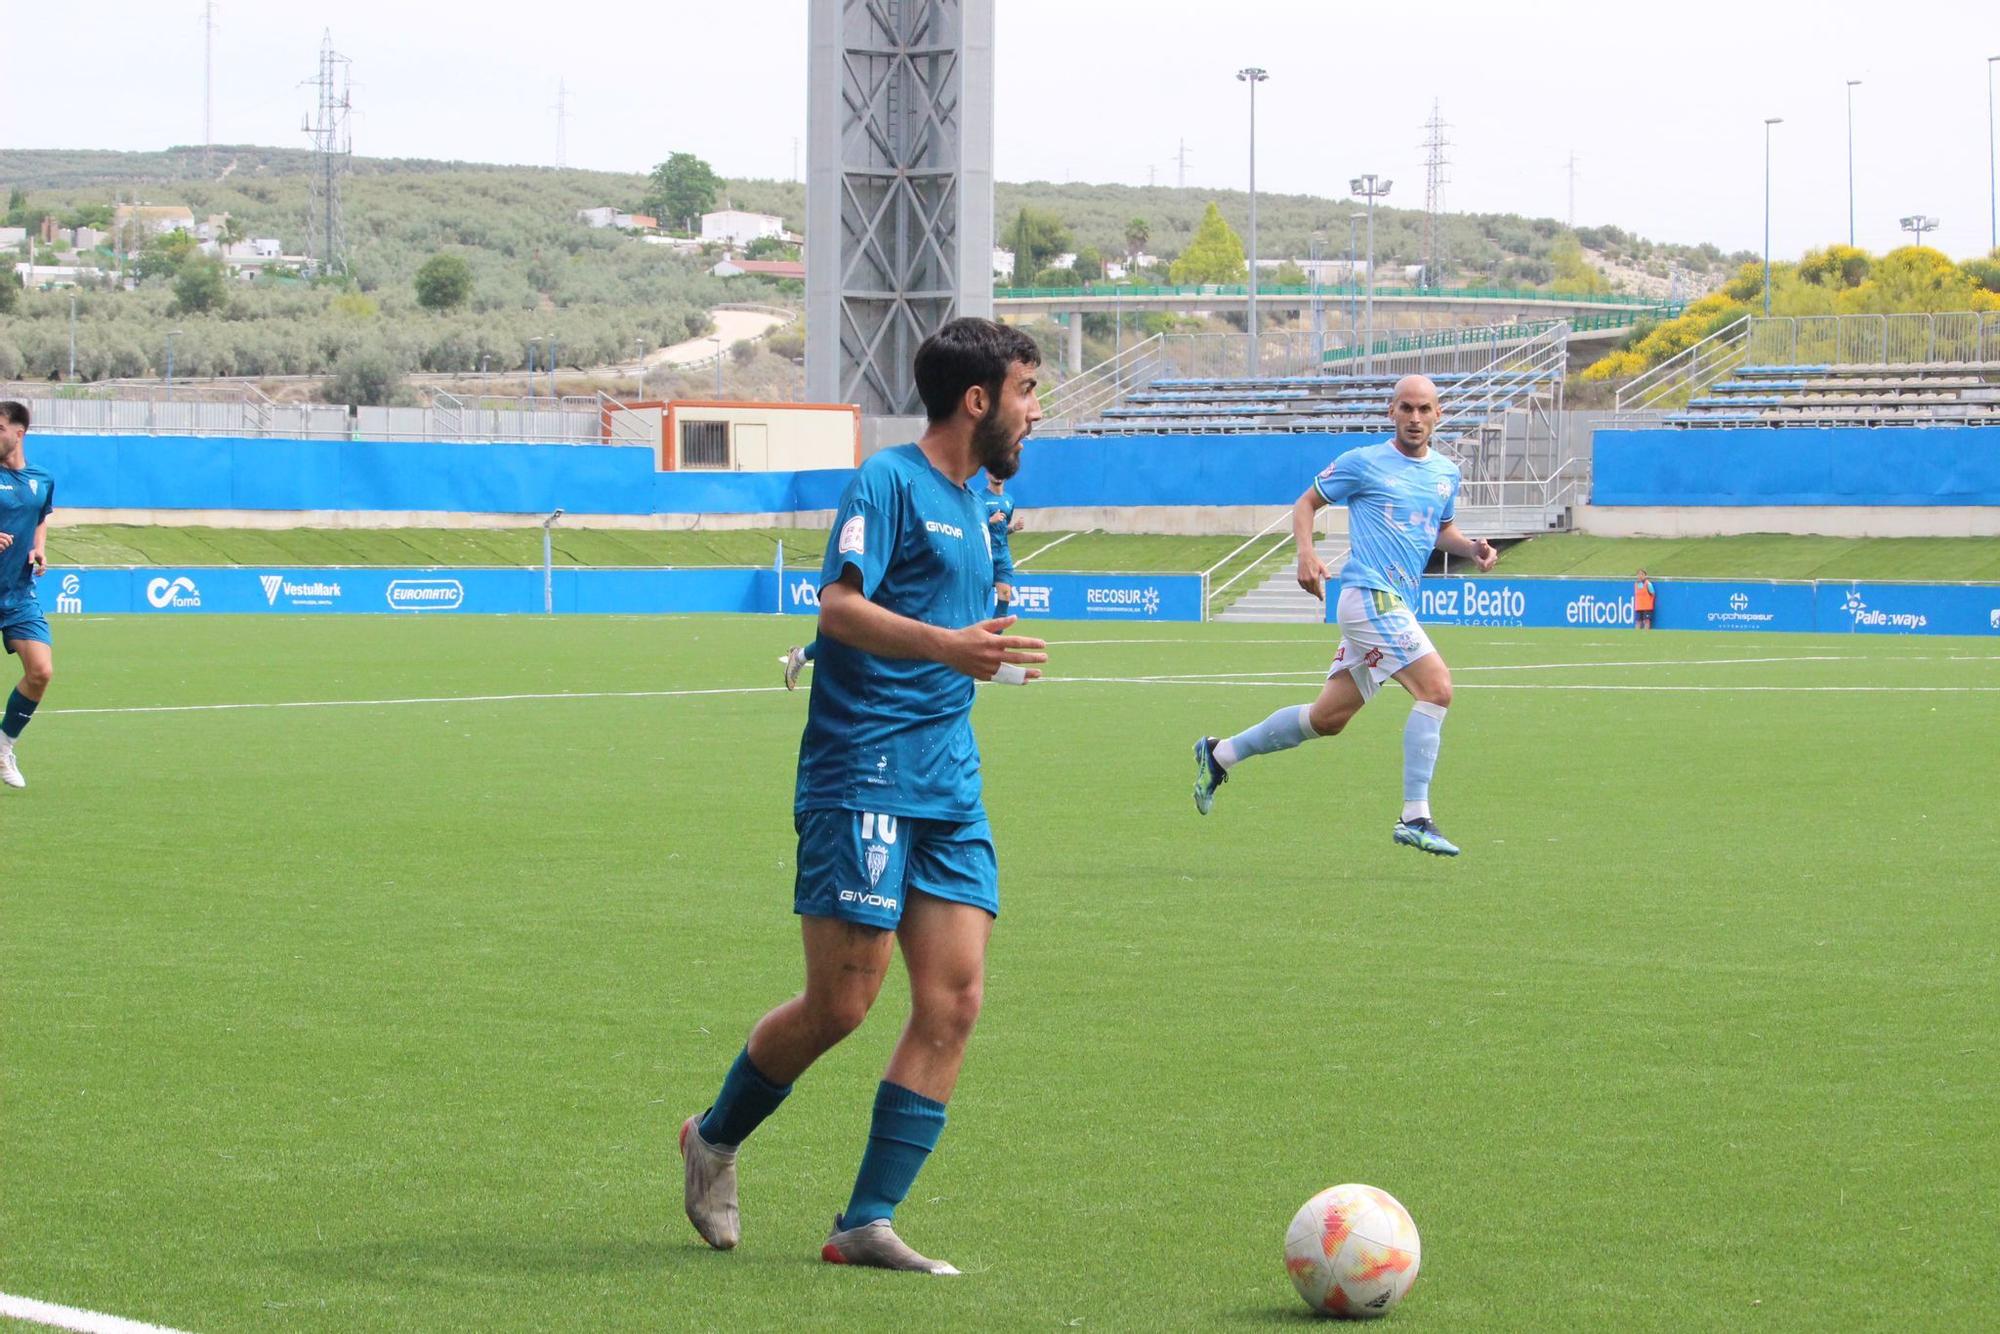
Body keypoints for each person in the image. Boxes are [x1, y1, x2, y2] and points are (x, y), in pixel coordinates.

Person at [685, 317, 1047, 1275]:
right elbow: (839, 605)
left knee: (955, 1000)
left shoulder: (989, 503)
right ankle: (712, 1139)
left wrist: (997, 653)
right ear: (979, 400)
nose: (1034, 411)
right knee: (843, 1004)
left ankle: (866, 1221)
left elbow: (977, 618)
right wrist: (945, 645)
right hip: (863, 771)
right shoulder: (886, 481)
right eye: (1026, 392)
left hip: (948, 782)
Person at [1190, 375, 1497, 856]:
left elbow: (1441, 529)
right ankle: (1415, 816)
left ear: (1440, 415)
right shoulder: (1365, 463)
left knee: (1327, 719)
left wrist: (1471, 547)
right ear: (1390, 412)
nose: (1415, 419)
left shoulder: (1445, 473)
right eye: (1406, 409)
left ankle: (1219, 753)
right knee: (1437, 688)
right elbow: (1306, 503)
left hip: (1393, 601)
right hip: (1369, 595)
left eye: (1424, 410)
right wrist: (1306, 554)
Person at [785, 475, 1027, 686]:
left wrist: (1010, 528)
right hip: (930, 576)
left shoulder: (987, 501)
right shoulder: (885, 492)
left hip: (987, 561)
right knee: (860, 632)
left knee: (999, 597)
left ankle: (990, 650)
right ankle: (802, 655)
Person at [0, 401, 54, 792]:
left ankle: (3, 747)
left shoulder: (42, 479)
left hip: (18, 593)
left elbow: (40, 518)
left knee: (41, 672)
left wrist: (38, 549)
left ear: (19, 432)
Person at [981, 472, 1025, 614]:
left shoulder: (1009, 500)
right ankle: (975, 631)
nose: (997, 474)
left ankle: (994, 635)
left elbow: (1001, 530)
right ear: (987, 474)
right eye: (994, 470)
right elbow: (972, 528)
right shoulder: (979, 498)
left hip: (1003, 554)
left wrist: (1013, 528)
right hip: (984, 554)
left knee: (1006, 594)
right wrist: (989, 521)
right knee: (979, 597)